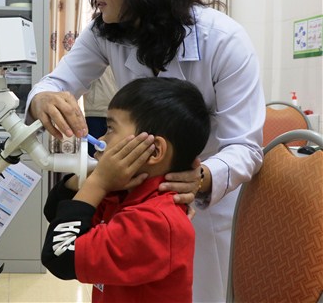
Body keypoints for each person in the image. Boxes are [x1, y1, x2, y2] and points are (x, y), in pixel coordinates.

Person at [26, 0, 265, 302]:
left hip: (199, 205)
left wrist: (201, 177)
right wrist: (43, 99)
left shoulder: (223, 40)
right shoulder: (106, 32)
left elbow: (246, 147)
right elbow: (55, 84)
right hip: (135, 198)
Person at [42, 77, 212, 302]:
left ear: (154, 151)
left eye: (111, 129)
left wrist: (98, 183)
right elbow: (56, 214)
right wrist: (92, 177)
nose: (101, 138)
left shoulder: (156, 222)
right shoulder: (125, 194)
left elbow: (60, 255)